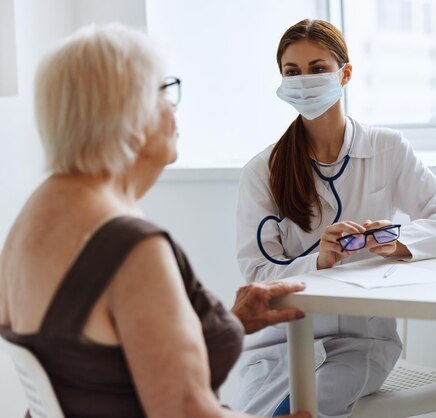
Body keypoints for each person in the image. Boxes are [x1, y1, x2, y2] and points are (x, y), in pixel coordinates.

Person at [0, 25, 310, 418]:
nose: (173, 107)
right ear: (131, 117)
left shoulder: (32, 218)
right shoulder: (129, 247)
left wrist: (230, 324)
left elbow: (97, 368)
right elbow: (183, 412)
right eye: (165, 90)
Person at [234, 19, 436, 417]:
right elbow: (257, 278)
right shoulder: (262, 171)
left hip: (360, 342)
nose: (305, 81)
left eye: (317, 68)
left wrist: (394, 240)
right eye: (292, 72)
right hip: (281, 345)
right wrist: (318, 261)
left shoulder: (387, 148)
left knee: (299, 411)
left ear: (344, 74)